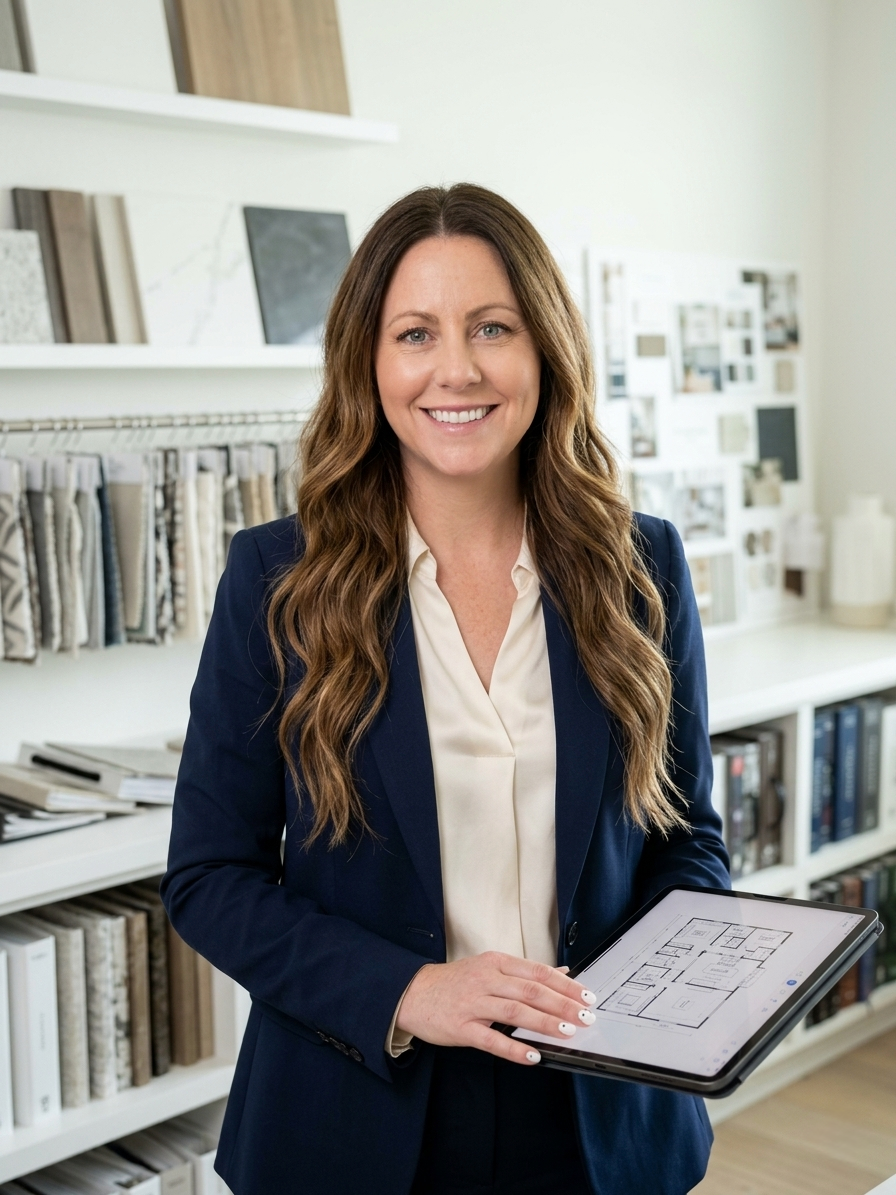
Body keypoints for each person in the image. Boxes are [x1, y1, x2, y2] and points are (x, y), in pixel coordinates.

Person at [161, 183, 729, 1195]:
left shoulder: (641, 567)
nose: (455, 369)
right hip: (356, 1112)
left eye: (491, 327)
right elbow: (211, 879)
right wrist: (408, 990)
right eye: (414, 333)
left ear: (542, 348)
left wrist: (691, 993)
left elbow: (685, 839)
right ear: (368, 364)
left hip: (599, 1118)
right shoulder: (273, 582)